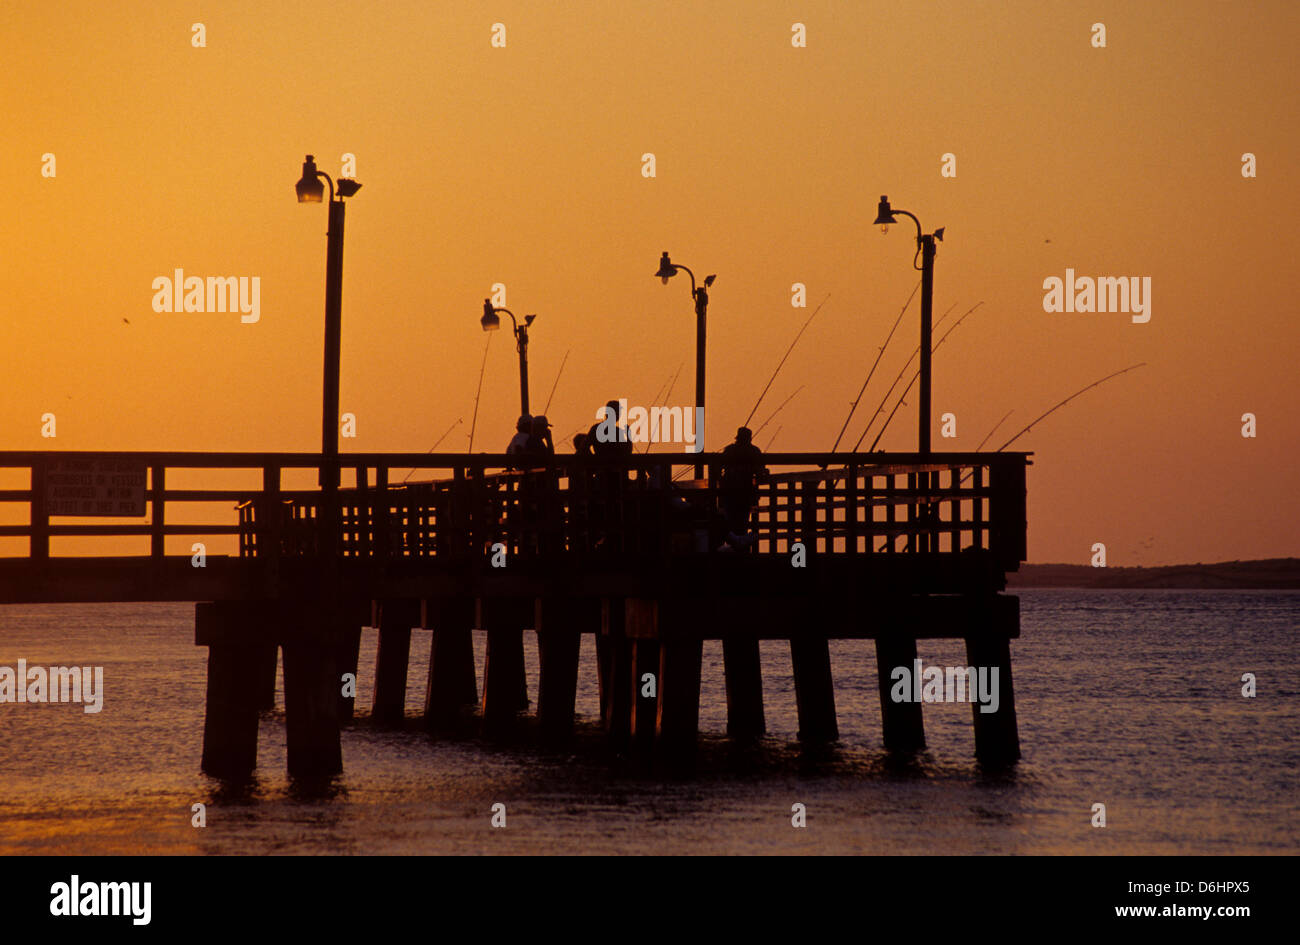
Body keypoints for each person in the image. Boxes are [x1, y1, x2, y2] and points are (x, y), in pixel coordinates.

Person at [718, 426, 767, 550]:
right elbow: (760, 471)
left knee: (729, 522)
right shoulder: (754, 451)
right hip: (746, 493)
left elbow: (718, 469)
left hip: (729, 492)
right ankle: (741, 549)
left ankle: (731, 547)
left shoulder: (729, 450)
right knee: (743, 523)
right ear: (749, 438)